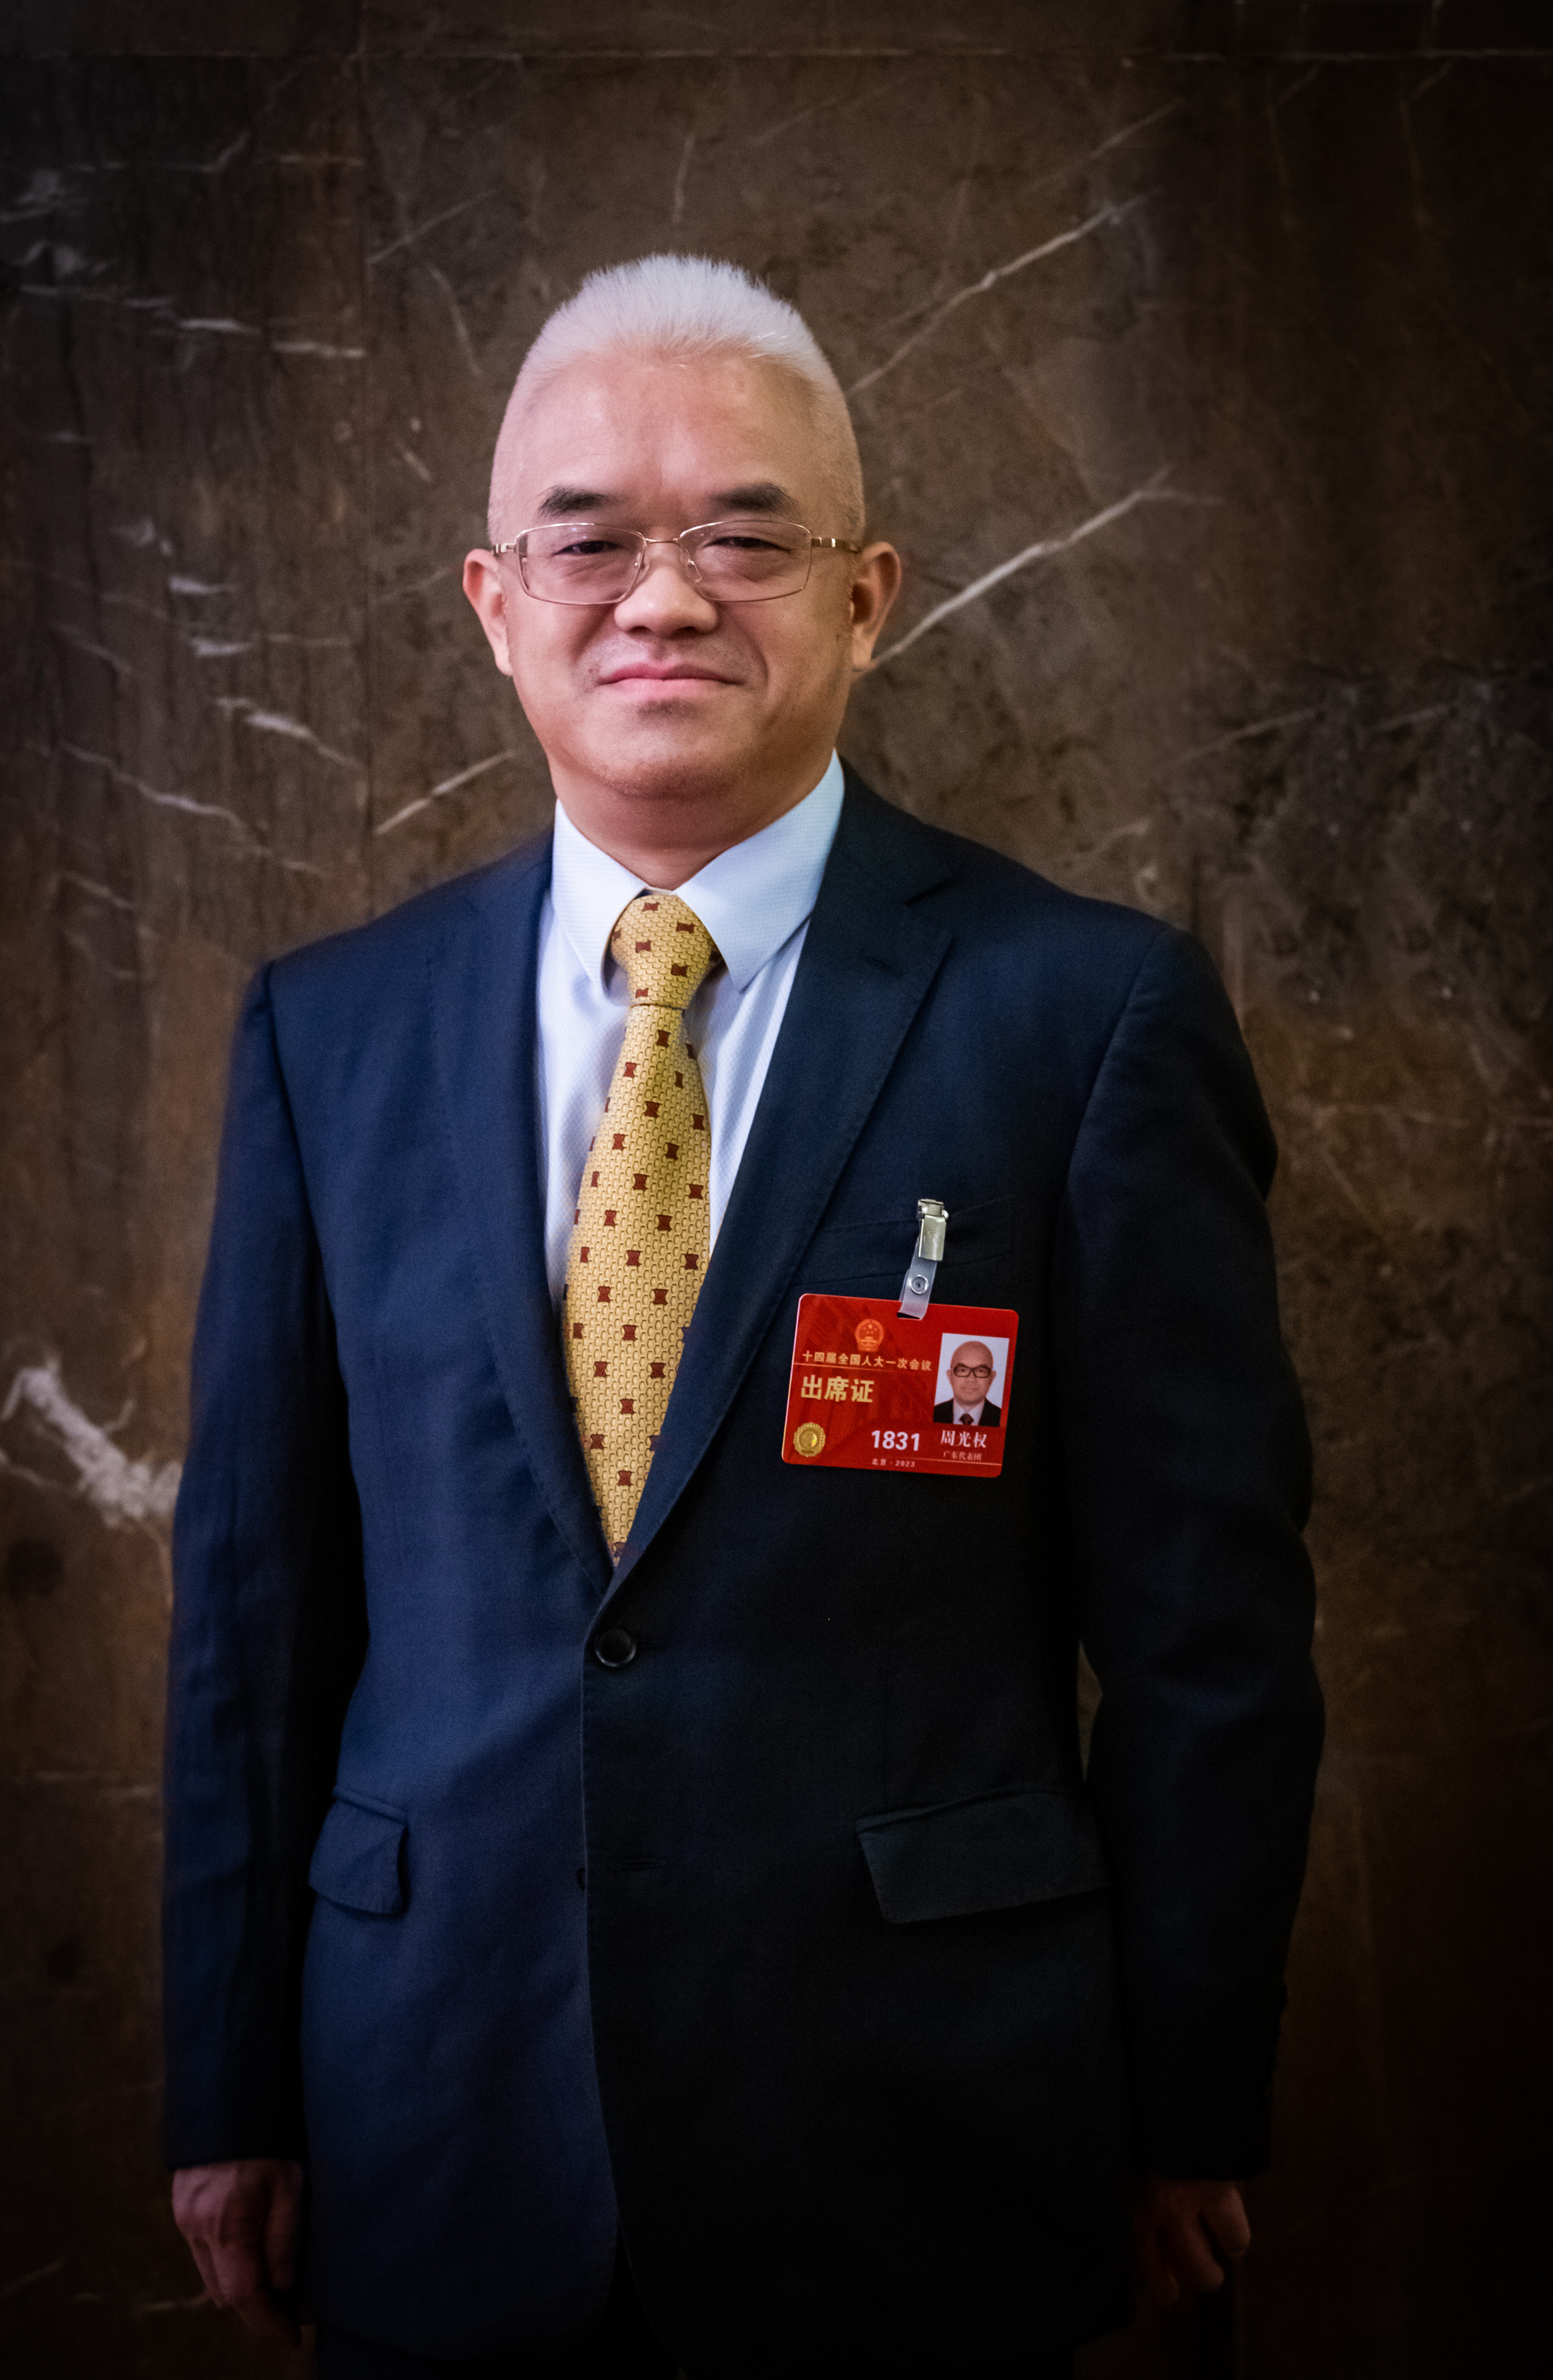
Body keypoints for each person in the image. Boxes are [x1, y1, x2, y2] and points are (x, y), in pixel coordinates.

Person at [162, 255, 1323, 2380]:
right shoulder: (330, 1036)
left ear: (867, 597)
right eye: (590, 540)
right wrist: (226, 2083)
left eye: (742, 536)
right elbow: (256, 1619)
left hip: (933, 2137)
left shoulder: (1086, 1019)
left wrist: (1186, 2097)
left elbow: (1207, 1640)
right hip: (428, 2117)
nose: (664, 598)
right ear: (494, 604)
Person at [933, 1341, 1003, 1427]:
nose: (971, 1379)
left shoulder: (1002, 1419)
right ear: (950, 1376)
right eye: (963, 1370)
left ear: (992, 1378)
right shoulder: (932, 1414)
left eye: (981, 1371)